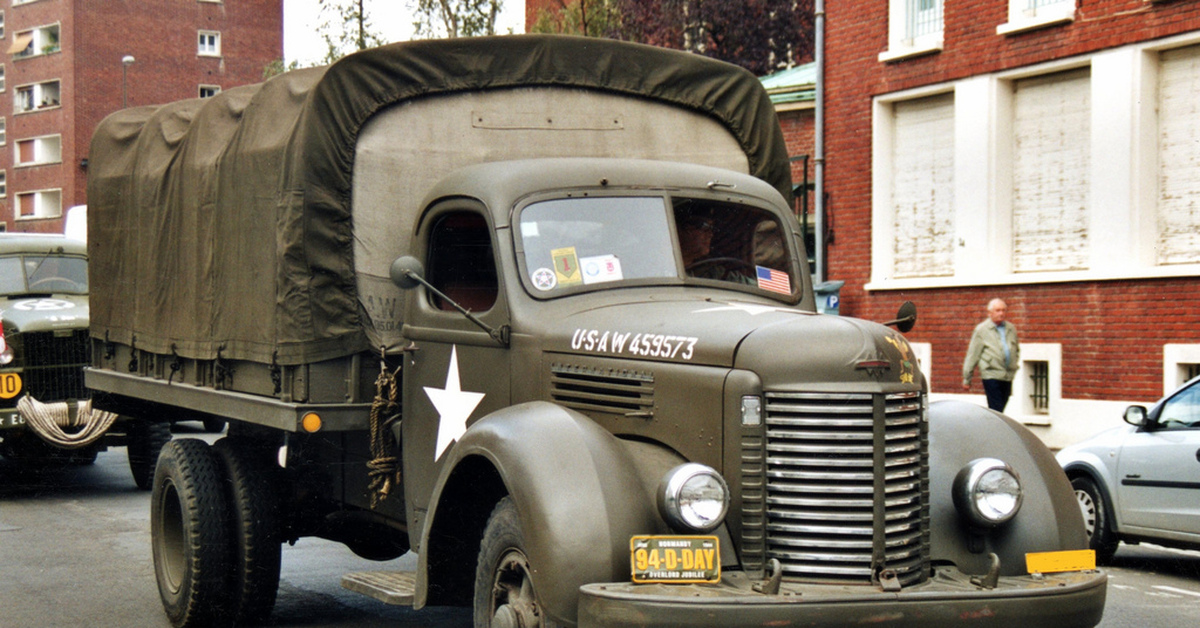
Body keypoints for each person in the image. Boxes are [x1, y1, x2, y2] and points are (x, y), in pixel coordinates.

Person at [962, 298, 1020, 412]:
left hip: (1007, 374)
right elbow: (973, 354)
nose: (1001, 313)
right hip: (991, 373)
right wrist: (967, 378)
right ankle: (996, 429)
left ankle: (995, 427)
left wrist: (1014, 364)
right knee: (996, 407)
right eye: (998, 310)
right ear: (990, 313)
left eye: (1004, 310)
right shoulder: (982, 330)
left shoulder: (1010, 328)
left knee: (1001, 406)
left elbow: (1016, 349)